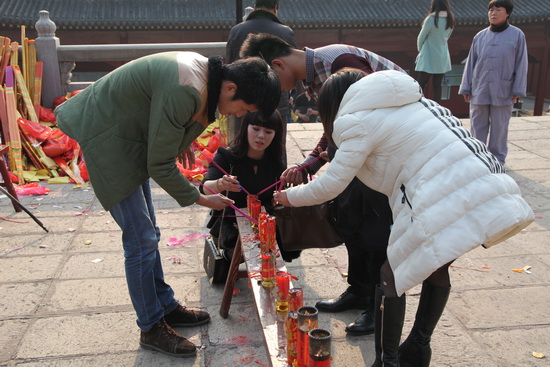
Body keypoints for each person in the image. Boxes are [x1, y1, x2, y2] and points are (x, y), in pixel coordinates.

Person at [273, 69, 534, 367]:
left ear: (334, 103)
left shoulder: (355, 120)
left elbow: (331, 184)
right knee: (437, 264)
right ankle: (418, 348)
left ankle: (389, 361)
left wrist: (288, 197)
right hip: (483, 186)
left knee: (391, 277)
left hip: (437, 196)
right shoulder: (418, 102)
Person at [55, 52, 280, 358]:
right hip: (108, 135)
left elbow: (165, 116)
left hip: (127, 132)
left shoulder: (208, 76)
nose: (235, 114)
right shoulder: (187, 90)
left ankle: (164, 304)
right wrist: (201, 197)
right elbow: (160, 164)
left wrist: (180, 138)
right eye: (242, 108)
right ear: (230, 89)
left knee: (150, 234)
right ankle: (151, 327)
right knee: (140, 239)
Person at [240, 33, 401, 336]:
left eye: (268, 80)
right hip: (361, 156)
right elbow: (337, 127)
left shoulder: (341, 64)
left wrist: (295, 193)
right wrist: (309, 164)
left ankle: (378, 308)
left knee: (377, 232)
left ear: (277, 65)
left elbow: (365, 124)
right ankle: (359, 290)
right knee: (350, 219)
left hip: (385, 157)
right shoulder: (316, 78)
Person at [200, 110, 299, 263]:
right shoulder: (227, 157)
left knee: (283, 244)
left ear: (275, 134)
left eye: (268, 131)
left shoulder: (275, 161)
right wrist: (220, 184)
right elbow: (204, 188)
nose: (261, 136)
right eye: (256, 128)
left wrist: (288, 191)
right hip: (231, 222)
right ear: (246, 127)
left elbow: (279, 194)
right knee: (243, 252)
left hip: (265, 221)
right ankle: (228, 257)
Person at [459, 0, 527, 165]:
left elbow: (521, 63)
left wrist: (518, 89)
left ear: (507, 13)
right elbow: (470, 64)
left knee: (500, 127)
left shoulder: (517, 35)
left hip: (504, 89)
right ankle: (477, 158)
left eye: (498, 10)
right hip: (479, 88)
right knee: (477, 126)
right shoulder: (480, 36)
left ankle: (497, 160)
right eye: (491, 10)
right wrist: (466, 86)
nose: (493, 13)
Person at [226, 0, 296, 145]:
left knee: (242, 140)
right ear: (276, 9)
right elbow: (291, 67)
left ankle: (239, 167)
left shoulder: (237, 30)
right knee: (275, 142)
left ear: (255, 8)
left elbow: (230, 65)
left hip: (244, 98)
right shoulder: (285, 32)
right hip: (276, 96)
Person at [415, 0, 455, 101]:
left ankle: (418, 106)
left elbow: (421, 37)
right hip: (442, 56)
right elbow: (447, 37)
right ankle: (437, 108)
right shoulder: (450, 20)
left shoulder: (431, 19)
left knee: (420, 85)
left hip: (428, 55)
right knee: (437, 86)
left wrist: (421, 51)